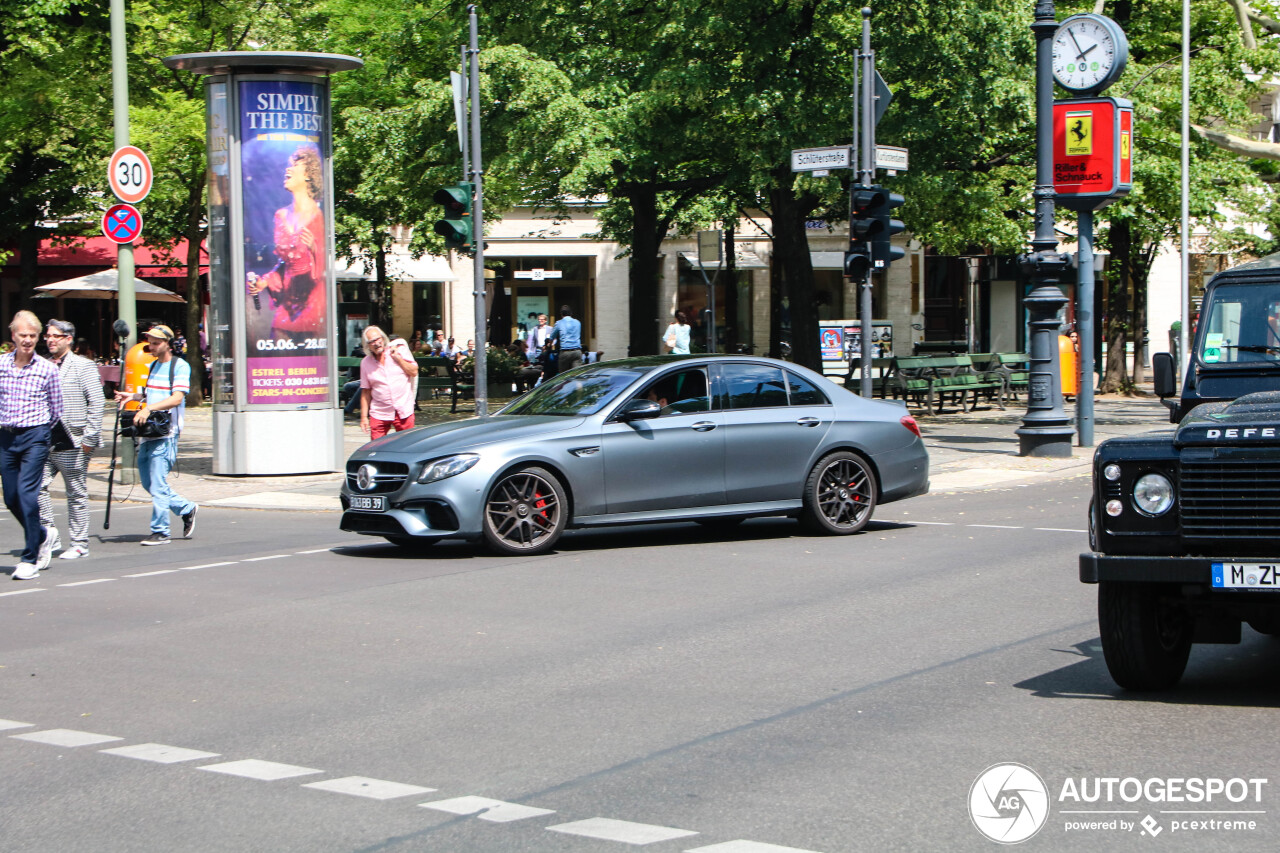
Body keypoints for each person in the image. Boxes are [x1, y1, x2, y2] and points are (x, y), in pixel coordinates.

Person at [113, 325, 198, 546]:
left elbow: (176, 398)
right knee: (148, 482)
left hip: (166, 433)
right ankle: (186, 508)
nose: (152, 346)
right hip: (148, 432)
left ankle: (161, 531)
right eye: (150, 342)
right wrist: (131, 395)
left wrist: (149, 409)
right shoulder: (152, 366)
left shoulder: (180, 366)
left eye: (156, 342)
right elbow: (150, 392)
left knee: (158, 483)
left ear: (168, 343)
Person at [1, 311, 64, 579]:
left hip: (35, 437)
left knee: (28, 495)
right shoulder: (1, 365)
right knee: (11, 497)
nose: (27, 340)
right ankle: (42, 533)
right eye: (23, 335)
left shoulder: (47, 369)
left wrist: (40, 436)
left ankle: (30, 557)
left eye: (32, 336)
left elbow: (56, 408)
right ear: (13, 336)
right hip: (5, 437)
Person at [36, 320, 104, 560]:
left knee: (75, 491)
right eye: (48, 336)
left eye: (55, 336)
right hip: (44, 438)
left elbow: (97, 402)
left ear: (68, 339)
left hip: (73, 439)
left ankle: (79, 543)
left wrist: (90, 437)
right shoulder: (42, 365)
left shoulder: (82, 366)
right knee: (36, 487)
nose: (50, 339)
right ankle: (50, 535)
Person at [246, 144, 326, 344]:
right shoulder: (280, 215)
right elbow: (286, 264)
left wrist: (315, 250)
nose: (287, 170)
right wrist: (265, 281)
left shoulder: (317, 217)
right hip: (287, 302)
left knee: (309, 352)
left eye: (295, 166)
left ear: (308, 175)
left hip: (311, 300)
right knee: (278, 341)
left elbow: (323, 269)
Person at [359, 325, 417, 439]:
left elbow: (414, 371)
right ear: (367, 346)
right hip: (380, 411)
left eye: (378, 339)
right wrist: (363, 417)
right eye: (372, 341)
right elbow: (365, 391)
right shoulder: (365, 363)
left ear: (383, 338)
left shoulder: (398, 351)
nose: (376, 343)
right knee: (375, 448)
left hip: (403, 408)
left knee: (407, 446)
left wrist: (398, 359)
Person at [549, 304, 584, 373]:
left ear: (561, 314)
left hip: (565, 352)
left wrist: (549, 344)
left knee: (563, 377)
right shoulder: (578, 322)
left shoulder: (559, 323)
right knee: (576, 375)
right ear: (571, 313)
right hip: (577, 351)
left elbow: (552, 337)